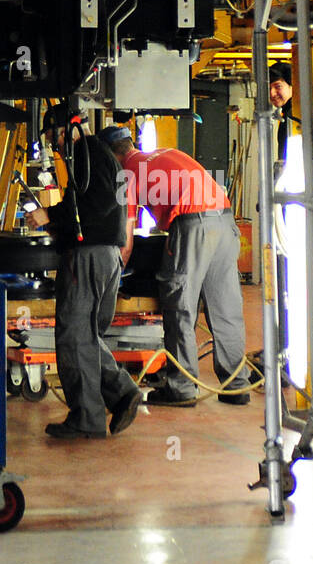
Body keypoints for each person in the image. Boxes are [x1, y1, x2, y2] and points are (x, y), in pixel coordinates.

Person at [99, 125, 249, 407]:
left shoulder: (126, 174)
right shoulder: (166, 153)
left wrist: (113, 277)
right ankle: (236, 385)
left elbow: (126, 239)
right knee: (226, 307)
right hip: (226, 222)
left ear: (110, 157)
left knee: (180, 305)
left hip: (194, 227)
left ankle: (181, 388)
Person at [24, 105, 142, 440]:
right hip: (108, 255)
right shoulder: (101, 155)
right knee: (88, 334)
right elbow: (96, 204)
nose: (54, 146)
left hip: (88, 255)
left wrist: (51, 216)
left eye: (52, 137)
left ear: (68, 129)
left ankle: (86, 419)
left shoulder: (87, 153)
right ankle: (121, 392)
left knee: (74, 335)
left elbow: (94, 206)